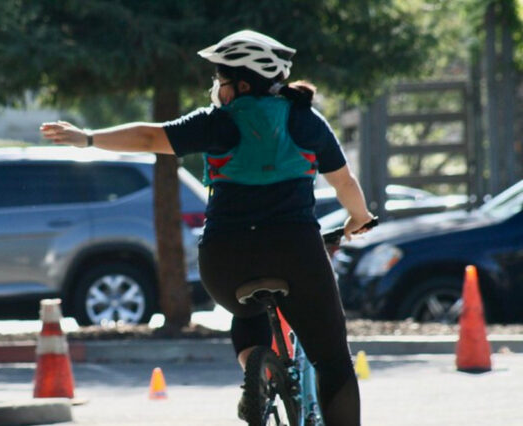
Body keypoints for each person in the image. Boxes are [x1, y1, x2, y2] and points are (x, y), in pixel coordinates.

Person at [41, 29, 374, 426]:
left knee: (248, 310)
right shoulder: (305, 120)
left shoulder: (216, 123)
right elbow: (344, 184)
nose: (216, 88)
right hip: (295, 250)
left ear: (243, 83)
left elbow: (150, 135)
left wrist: (89, 138)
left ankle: (258, 376)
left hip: (224, 259)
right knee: (333, 359)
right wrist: (358, 218)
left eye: (220, 79)